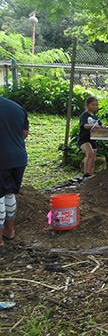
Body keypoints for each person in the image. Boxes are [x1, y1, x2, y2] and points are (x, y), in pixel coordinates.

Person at [0, 97, 29, 252]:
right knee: (9, 193)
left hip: (2, 158)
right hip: (18, 157)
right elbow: (25, 133)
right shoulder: (17, 107)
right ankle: (9, 231)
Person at [78, 97, 104, 178]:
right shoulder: (84, 115)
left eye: (96, 105)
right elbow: (85, 125)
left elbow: (100, 124)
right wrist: (93, 126)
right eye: (92, 105)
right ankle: (86, 174)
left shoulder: (95, 117)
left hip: (93, 139)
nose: (94, 107)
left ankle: (90, 174)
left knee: (93, 157)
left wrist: (102, 126)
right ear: (87, 105)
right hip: (84, 139)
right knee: (90, 153)